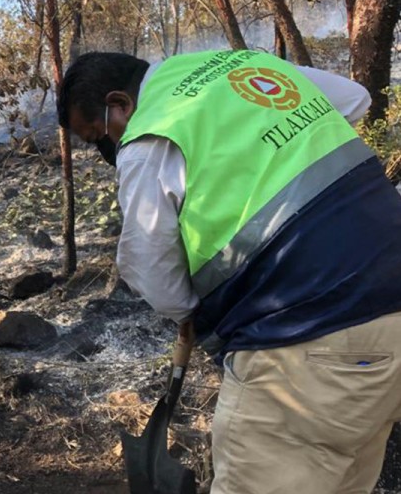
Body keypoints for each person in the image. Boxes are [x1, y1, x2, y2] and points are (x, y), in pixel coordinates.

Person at [58, 49, 401, 494]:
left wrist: (190, 313)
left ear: (120, 104)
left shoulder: (149, 139)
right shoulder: (244, 65)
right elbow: (354, 99)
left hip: (306, 338)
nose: (108, 149)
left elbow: (155, 277)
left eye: (98, 136)